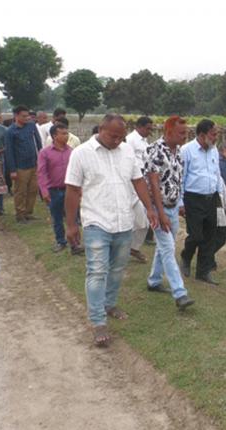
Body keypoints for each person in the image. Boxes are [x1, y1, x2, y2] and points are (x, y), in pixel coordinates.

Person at [64, 114, 157, 347]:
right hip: (96, 222)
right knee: (97, 271)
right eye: (113, 136)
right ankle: (98, 322)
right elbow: (73, 190)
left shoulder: (126, 152)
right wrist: (71, 224)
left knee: (117, 268)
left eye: (121, 137)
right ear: (101, 129)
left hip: (123, 221)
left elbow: (138, 181)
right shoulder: (82, 153)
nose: (117, 140)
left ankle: (109, 303)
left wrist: (150, 208)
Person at [143, 116, 194, 310]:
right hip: (158, 209)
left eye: (186, 132)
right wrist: (160, 212)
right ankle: (180, 293)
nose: (185, 136)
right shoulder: (155, 150)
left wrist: (179, 203)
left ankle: (154, 281)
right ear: (168, 131)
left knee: (165, 247)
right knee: (167, 248)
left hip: (172, 207)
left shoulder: (178, 152)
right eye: (181, 133)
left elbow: (178, 180)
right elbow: (153, 183)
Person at [179, 119, 225, 285]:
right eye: (213, 134)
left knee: (209, 236)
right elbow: (181, 178)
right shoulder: (186, 151)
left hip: (211, 198)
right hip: (193, 199)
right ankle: (186, 256)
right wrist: (180, 203)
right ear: (202, 134)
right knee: (196, 235)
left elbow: (216, 174)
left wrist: (219, 197)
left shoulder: (213, 151)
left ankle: (203, 272)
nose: (215, 137)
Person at [37, 123, 82, 255]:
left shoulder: (72, 152)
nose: (66, 136)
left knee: (72, 217)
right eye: (63, 133)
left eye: (67, 133)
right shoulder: (44, 153)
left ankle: (75, 244)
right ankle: (60, 241)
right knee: (56, 217)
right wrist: (44, 191)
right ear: (54, 136)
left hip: (70, 190)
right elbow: (41, 173)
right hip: (54, 191)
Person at [5, 105, 43, 224]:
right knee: (21, 191)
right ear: (16, 116)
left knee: (33, 190)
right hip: (20, 167)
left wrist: (41, 160)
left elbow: (38, 143)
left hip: (34, 164)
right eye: (24, 116)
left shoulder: (31, 126)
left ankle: (28, 212)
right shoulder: (10, 131)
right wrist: (12, 170)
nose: (27, 118)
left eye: (28, 115)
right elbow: (9, 151)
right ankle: (20, 215)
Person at [124, 116, 153, 264]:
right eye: (148, 128)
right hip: (130, 184)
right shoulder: (130, 140)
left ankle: (133, 248)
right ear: (140, 127)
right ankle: (120, 248)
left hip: (141, 182)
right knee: (126, 218)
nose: (150, 131)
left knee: (143, 222)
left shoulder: (145, 142)